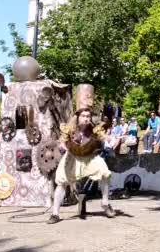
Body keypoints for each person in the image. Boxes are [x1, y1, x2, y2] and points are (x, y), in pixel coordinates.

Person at [48, 84, 116, 224]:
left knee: (104, 172)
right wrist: (63, 147)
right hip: (72, 157)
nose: (86, 118)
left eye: (88, 115)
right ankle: (55, 214)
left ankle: (105, 203)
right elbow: (62, 141)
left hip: (90, 158)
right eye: (83, 115)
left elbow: (103, 136)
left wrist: (111, 140)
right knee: (61, 182)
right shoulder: (69, 127)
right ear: (78, 116)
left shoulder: (94, 127)